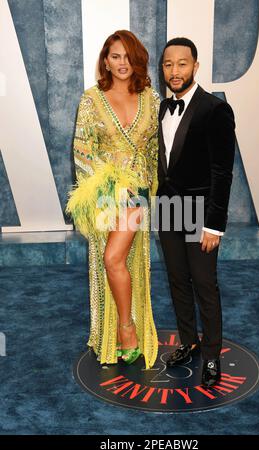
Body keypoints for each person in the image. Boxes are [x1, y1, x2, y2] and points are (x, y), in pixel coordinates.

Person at [65, 30, 159, 369]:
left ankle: (127, 328)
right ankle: (109, 332)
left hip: (140, 194)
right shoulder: (91, 99)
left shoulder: (152, 98)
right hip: (105, 193)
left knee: (113, 258)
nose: (123, 63)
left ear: (138, 60)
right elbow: (82, 149)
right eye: (116, 56)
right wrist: (107, 187)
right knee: (110, 261)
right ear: (105, 60)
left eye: (129, 56)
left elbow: (156, 149)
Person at [156, 37, 236, 387]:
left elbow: (222, 172)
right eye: (168, 64)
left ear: (195, 66)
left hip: (200, 211)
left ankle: (213, 355)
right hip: (169, 208)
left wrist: (214, 225)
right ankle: (188, 342)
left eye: (182, 64)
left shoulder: (214, 109)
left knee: (204, 283)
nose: (175, 71)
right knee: (177, 280)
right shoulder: (161, 107)